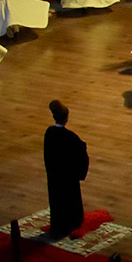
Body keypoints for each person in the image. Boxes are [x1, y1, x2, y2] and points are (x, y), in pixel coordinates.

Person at [44, 100, 88, 238]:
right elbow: (81, 155)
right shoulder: (71, 137)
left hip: (54, 177)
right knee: (70, 200)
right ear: (66, 118)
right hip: (68, 178)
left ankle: (58, 224)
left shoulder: (49, 133)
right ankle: (72, 222)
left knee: (57, 200)